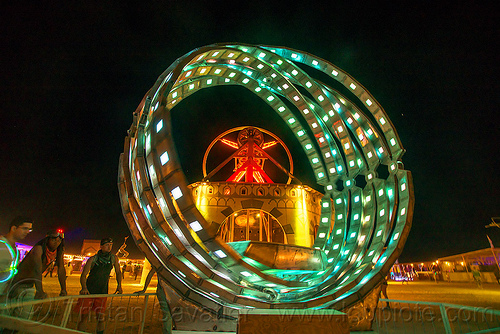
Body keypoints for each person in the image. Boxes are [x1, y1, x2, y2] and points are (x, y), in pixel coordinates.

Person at [75, 238, 122, 334]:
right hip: (89, 291)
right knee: (84, 317)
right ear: (101, 246)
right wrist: (84, 288)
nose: (109, 247)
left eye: (111, 244)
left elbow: (118, 272)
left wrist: (119, 285)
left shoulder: (113, 258)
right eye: (107, 244)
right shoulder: (93, 259)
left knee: (101, 317)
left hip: (102, 291)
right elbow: (84, 275)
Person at [9, 229, 67, 300]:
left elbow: (61, 269)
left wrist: (63, 289)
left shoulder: (58, 252)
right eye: (54, 240)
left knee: (26, 309)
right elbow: (37, 270)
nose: (56, 243)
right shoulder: (38, 249)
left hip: (29, 285)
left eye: (59, 241)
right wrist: (40, 291)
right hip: (16, 284)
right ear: (47, 239)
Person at [0, 216, 33, 301]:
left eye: (29, 229)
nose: (27, 232)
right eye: (25, 228)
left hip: (5, 296)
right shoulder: (1, 245)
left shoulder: (16, 250)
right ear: (14, 228)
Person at [134, 267, 173, 334]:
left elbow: (151, 273)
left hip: (168, 291)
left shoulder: (161, 262)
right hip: (166, 290)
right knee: (168, 314)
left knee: (169, 314)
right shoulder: (162, 262)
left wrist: (144, 289)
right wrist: (144, 289)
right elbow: (151, 273)